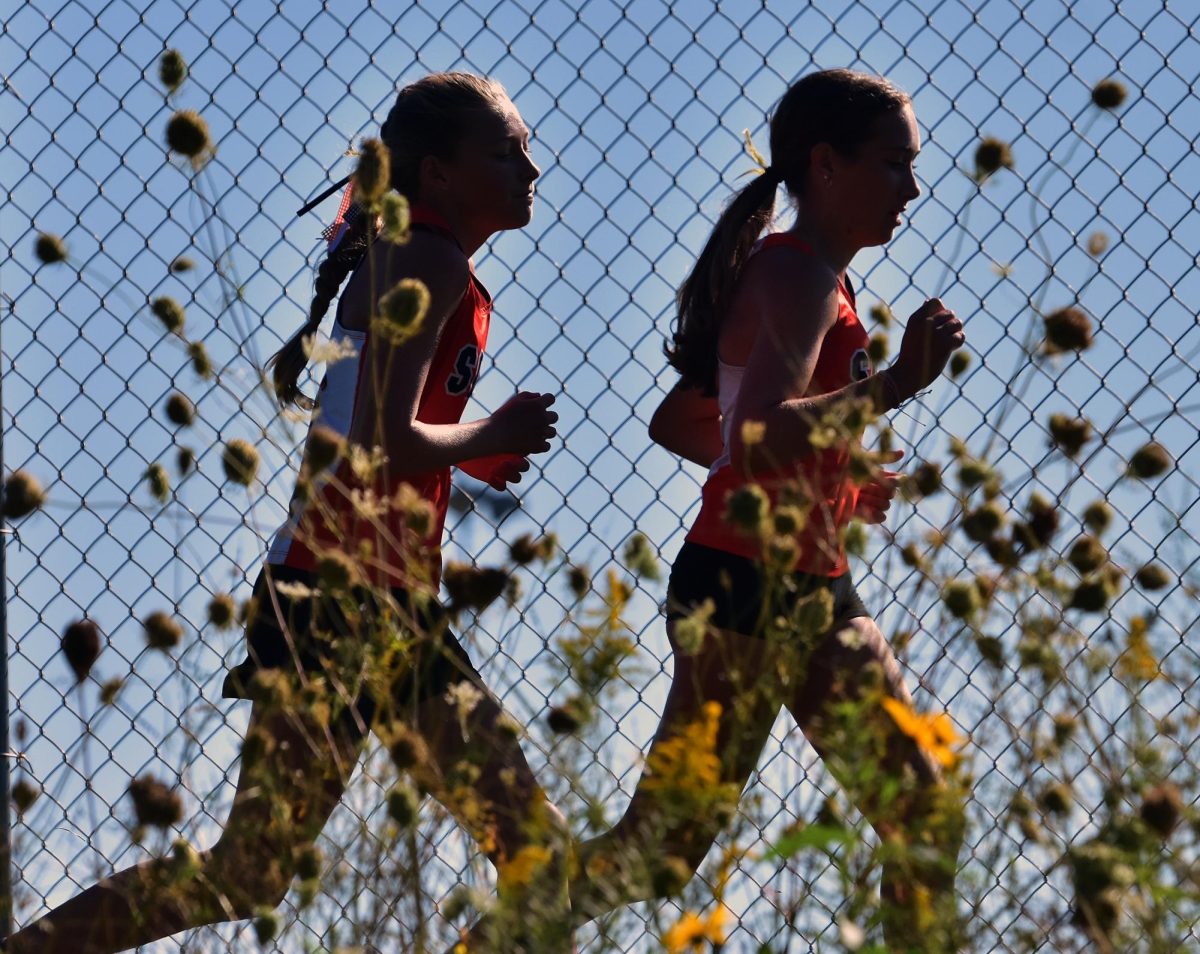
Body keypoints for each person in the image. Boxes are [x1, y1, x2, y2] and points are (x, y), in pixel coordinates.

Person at [6, 72, 568, 954]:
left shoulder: (413, 255)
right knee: (532, 855)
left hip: (340, 590)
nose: (532, 168)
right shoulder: (430, 259)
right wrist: (486, 432)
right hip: (349, 600)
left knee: (253, 873)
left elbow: (362, 428)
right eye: (506, 150)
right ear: (439, 173)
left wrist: (470, 448)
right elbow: (381, 439)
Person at [569, 69, 967, 951]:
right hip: (745, 584)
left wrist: (837, 476)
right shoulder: (797, 279)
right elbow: (750, 437)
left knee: (924, 809)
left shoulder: (815, 278)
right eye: (896, 165)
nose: (912, 187)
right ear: (826, 164)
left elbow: (689, 422)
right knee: (660, 853)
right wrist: (895, 384)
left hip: (811, 581)